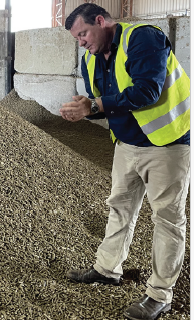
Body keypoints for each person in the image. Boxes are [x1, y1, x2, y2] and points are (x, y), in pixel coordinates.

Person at [60, 3, 190, 320]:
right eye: (77, 38)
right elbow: (105, 103)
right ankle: (107, 269)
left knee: (167, 220)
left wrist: (95, 105)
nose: (81, 42)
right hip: (126, 145)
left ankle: (160, 296)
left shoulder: (143, 38)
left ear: (102, 21)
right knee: (119, 208)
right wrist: (87, 106)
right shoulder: (89, 59)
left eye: (84, 34)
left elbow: (148, 91)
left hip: (166, 144)